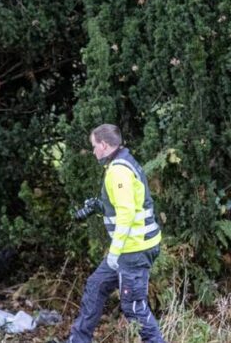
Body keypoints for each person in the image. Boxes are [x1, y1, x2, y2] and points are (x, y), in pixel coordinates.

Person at [66, 124, 164, 343]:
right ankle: (78, 340)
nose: (93, 152)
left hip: (134, 250)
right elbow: (128, 205)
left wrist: (114, 251)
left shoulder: (118, 170)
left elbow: (127, 213)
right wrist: (101, 208)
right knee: (96, 285)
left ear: (103, 144)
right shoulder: (123, 162)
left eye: (94, 146)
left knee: (134, 308)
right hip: (130, 248)